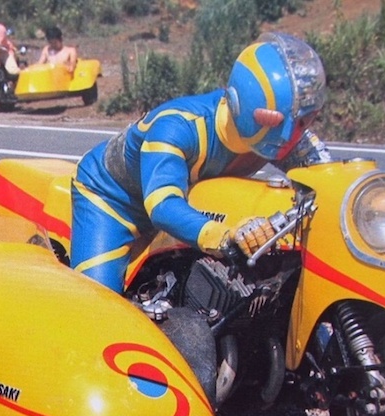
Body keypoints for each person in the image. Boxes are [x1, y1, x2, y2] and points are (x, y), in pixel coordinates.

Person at [70, 32, 331, 293]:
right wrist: (223, 236)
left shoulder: (278, 136)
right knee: (98, 301)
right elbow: (162, 206)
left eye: (303, 121)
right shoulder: (177, 127)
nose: (290, 134)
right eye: (275, 121)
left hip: (188, 203)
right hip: (112, 201)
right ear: (250, 104)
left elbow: (327, 176)